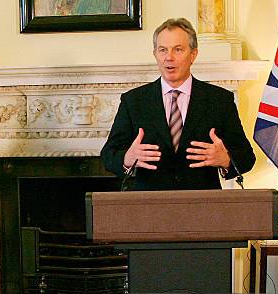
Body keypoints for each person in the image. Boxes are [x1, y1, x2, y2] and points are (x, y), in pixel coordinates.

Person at [101, 18, 255, 190]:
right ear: (155, 54)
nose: (169, 57)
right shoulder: (134, 101)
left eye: (178, 50)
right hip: (148, 208)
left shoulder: (219, 100)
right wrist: (126, 159)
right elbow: (108, 155)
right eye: (162, 50)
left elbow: (247, 157)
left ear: (193, 55)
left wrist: (226, 160)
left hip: (203, 206)